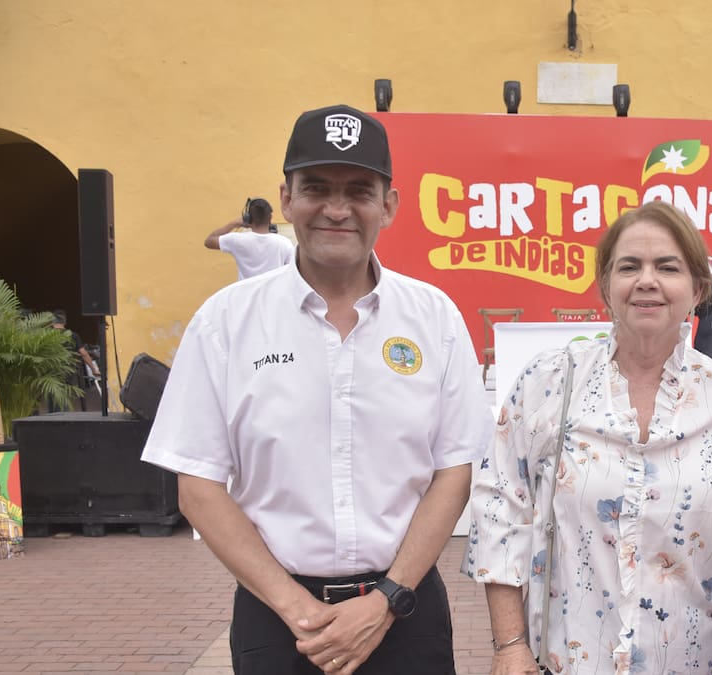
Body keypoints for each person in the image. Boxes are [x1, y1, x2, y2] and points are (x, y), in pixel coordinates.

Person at [142, 104, 493, 674]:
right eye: (315, 188)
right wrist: (297, 609)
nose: (336, 209)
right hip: (275, 619)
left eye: (359, 190)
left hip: (405, 614)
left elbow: (454, 472)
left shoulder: (434, 318)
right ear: (285, 199)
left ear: (389, 204)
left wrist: (386, 601)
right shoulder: (225, 321)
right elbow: (197, 485)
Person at [465, 200, 712, 674]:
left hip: (694, 657)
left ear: (698, 288)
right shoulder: (551, 382)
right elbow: (501, 507)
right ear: (605, 285)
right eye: (629, 266)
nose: (647, 280)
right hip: (570, 658)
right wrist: (509, 645)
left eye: (667, 267)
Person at [204, 197, 295, 279]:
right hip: (273, 296)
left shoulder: (237, 240)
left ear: (248, 218)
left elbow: (209, 241)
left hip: (245, 296)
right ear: (270, 217)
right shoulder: (284, 243)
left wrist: (234, 223)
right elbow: (292, 271)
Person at [49, 310, 99, 412]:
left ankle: (52, 418)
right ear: (64, 322)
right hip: (68, 371)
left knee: (52, 395)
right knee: (65, 396)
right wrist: (93, 369)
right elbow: (84, 353)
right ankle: (63, 418)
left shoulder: (46, 335)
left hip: (50, 371)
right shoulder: (72, 335)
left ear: (51, 322)